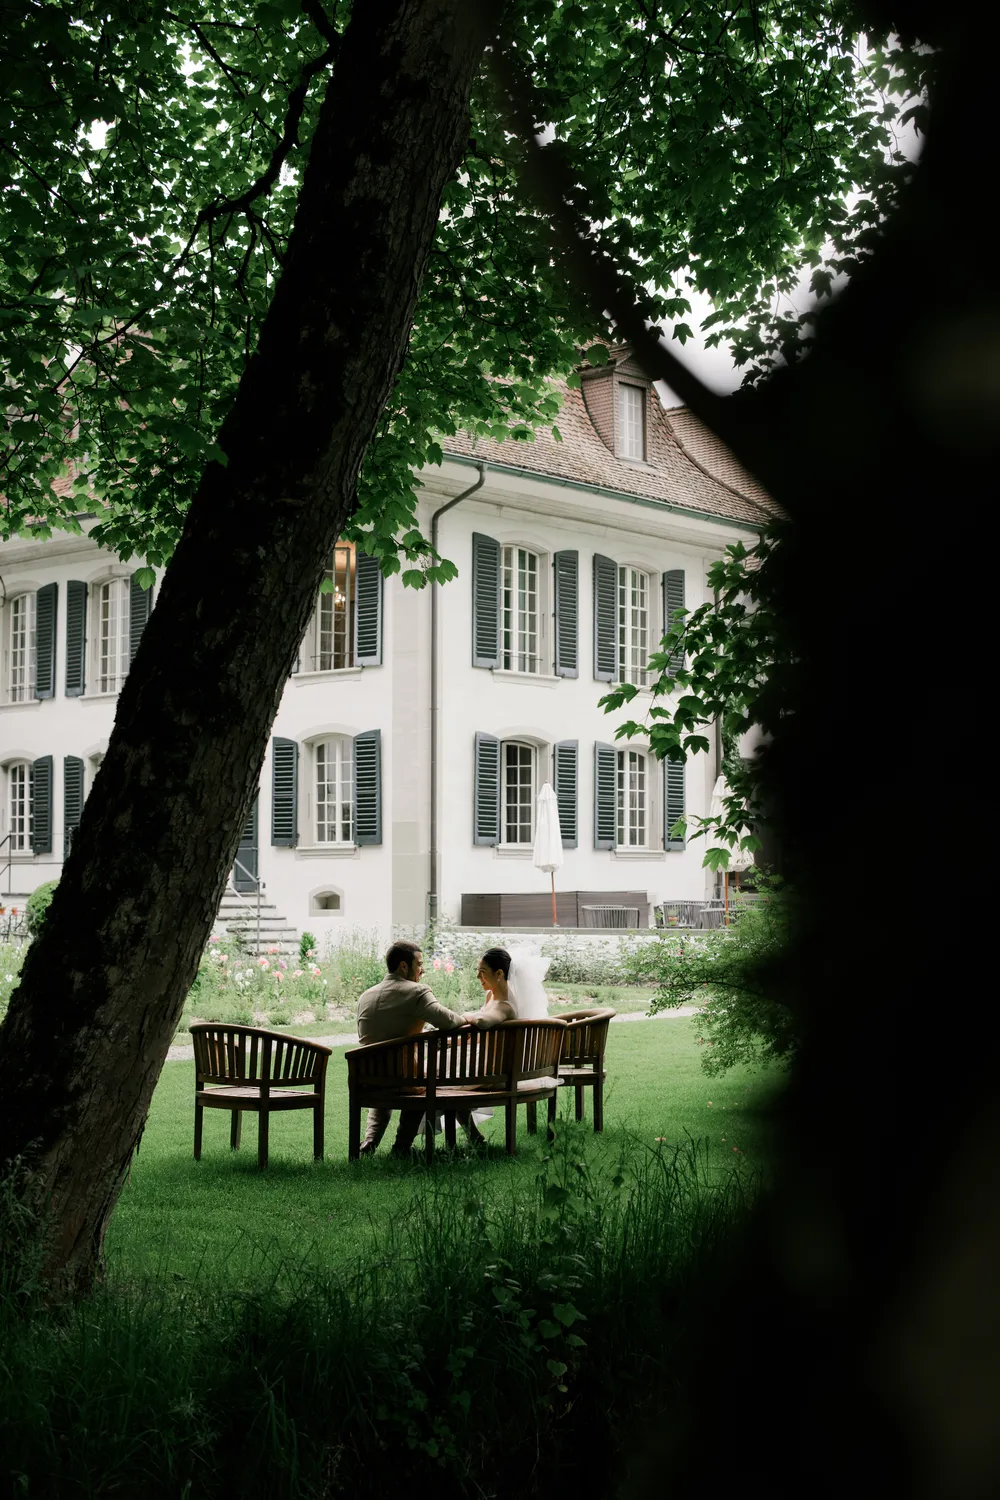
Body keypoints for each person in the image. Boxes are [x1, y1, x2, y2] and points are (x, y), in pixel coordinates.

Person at [355, 940, 486, 1156]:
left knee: (401, 1074)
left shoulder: (365, 995)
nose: (422, 970)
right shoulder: (416, 992)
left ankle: (369, 1143)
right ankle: (402, 1146)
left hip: (367, 1076)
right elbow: (449, 1021)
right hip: (403, 1078)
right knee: (432, 1077)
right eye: (419, 964)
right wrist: (468, 1018)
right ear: (403, 966)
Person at [467, 946, 552, 1022]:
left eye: (482, 972)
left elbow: (481, 1021)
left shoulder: (505, 1006)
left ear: (499, 974)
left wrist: (464, 1017)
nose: (478, 976)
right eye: (478, 971)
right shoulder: (490, 995)